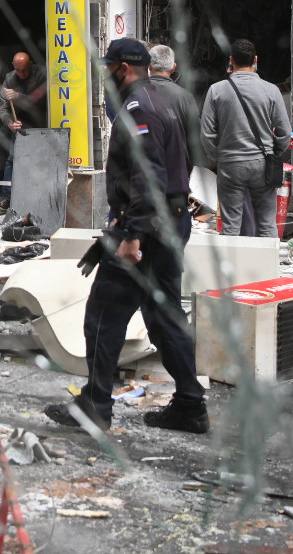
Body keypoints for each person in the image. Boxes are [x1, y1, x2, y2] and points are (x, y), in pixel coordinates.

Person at [45, 37, 207, 434]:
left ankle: (96, 405)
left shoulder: (139, 108)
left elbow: (148, 173)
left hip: (147, 230)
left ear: (123, 68)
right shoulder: (163, 101)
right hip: (167, 222)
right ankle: (190, 405)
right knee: (164, 316)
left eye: (108, 69)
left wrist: (132, 235)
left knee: (104, 314)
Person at [199, 38, 290, 237]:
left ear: (231, 60)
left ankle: (232, 258)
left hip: (230, 164)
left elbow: (206, 132)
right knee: (267, 225)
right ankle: (267, 258)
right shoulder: (271, 90)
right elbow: (285, 132)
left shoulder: (217, 90)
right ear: (255, 60)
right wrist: (273, 153)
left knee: (231, 226)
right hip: (263, 164)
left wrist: (218, 156)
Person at [0, 51, 47, 213]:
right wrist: (10, 123)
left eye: (24, 70)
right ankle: (6, 197)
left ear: (31, 64)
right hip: (20, 124)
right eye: (18, 70)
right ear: (13, 66)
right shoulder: (10, 79)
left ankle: (39, 200)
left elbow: (40, 101)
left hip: (42, 125)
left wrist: (18, 96)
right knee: (12, 159)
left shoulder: (42, 75)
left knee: (39, 161)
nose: (21, 74)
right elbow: (3, 109)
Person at [148, 43, 207, 170]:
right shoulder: (185, 97)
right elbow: (195, 136)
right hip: (177, 168)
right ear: (174, 67)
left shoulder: (135, 94)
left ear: (149, 66)